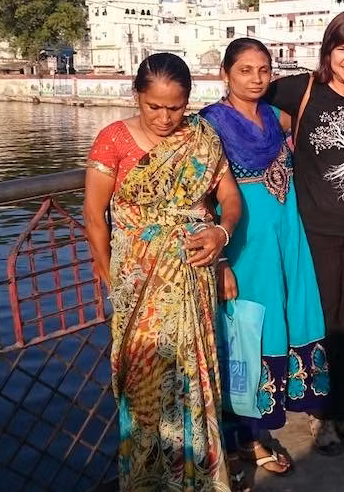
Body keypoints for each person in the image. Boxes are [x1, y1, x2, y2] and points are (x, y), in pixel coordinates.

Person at [84, 53, 244, 491]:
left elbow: (229, 199)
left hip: (192, 277)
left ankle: (197, 480)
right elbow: (95, 217)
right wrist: (111, 275)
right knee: (144, 380)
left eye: (175, 107)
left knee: (193, 374)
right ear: (137, 96)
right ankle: (146, 481)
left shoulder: (202, 137)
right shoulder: (113, 140)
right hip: (138, 283)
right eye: (154, 106)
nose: (165, 117)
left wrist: (220, 235)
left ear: (188, 101)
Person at [264, 9, 344, 458]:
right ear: (327, 51)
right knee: (324, 324)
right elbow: (247, 100)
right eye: (342, 48)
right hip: (315, 231)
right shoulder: (300, 90)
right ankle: (323, 413)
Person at [200, 38, 329, 475]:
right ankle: (241, 444)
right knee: (244, 335)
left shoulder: (277, 118)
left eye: (263, 70)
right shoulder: (209, 126)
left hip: (286, 237)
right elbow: (197, 200)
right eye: (245, 70)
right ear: (225, 73)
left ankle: (258, 432)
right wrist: (219, 262)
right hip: (244, 246)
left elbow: (319, 97)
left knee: (282, 321)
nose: (256, 79)